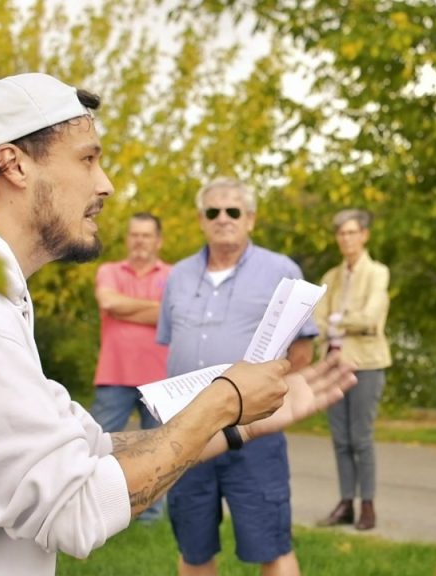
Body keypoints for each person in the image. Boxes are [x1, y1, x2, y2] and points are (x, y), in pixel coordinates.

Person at [0, 73, 355, 576]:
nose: (105, 184)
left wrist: (243, 422)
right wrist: (224, 399)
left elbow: (94, 450)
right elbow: (75, 508)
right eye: (87, 158)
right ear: (13, 163)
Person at [158, 177, 317, 576]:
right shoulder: (177, 276)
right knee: (193, 547)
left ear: (250, 219)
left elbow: (302, 349)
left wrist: (270, 397)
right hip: (187, 429)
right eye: (213, 211)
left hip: (255, 433)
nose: (223, 218)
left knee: (271, 544)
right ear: (201, 219)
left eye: (233, 211)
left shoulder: (281, 270)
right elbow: (169, 343)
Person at [313, 209, 392, 531]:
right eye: (341, 233)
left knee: (361, 438)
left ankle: (368, 505)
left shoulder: (377, 273)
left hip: (366, 364)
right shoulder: (331, 277)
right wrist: (340, 323)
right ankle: (346, 502)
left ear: (364, 235)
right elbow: (316, 321)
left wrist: (336, 322)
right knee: (340, 439)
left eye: (351, 232)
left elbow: (370, 318)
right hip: (333, 363)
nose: (346, 239)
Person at [91, 212, 170, 522]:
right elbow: (108, 303)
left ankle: (150, 517)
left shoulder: (173, 276)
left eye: (146, 235)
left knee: (159, 451)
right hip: (115, 373)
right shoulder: (109, 271)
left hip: (160, 378)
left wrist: (128, 309)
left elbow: (173, 316)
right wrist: (156, 311)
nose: (139, 241)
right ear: (127, 239)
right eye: (134, 235)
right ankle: (93, 508)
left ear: (158, 241)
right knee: (98, 443)